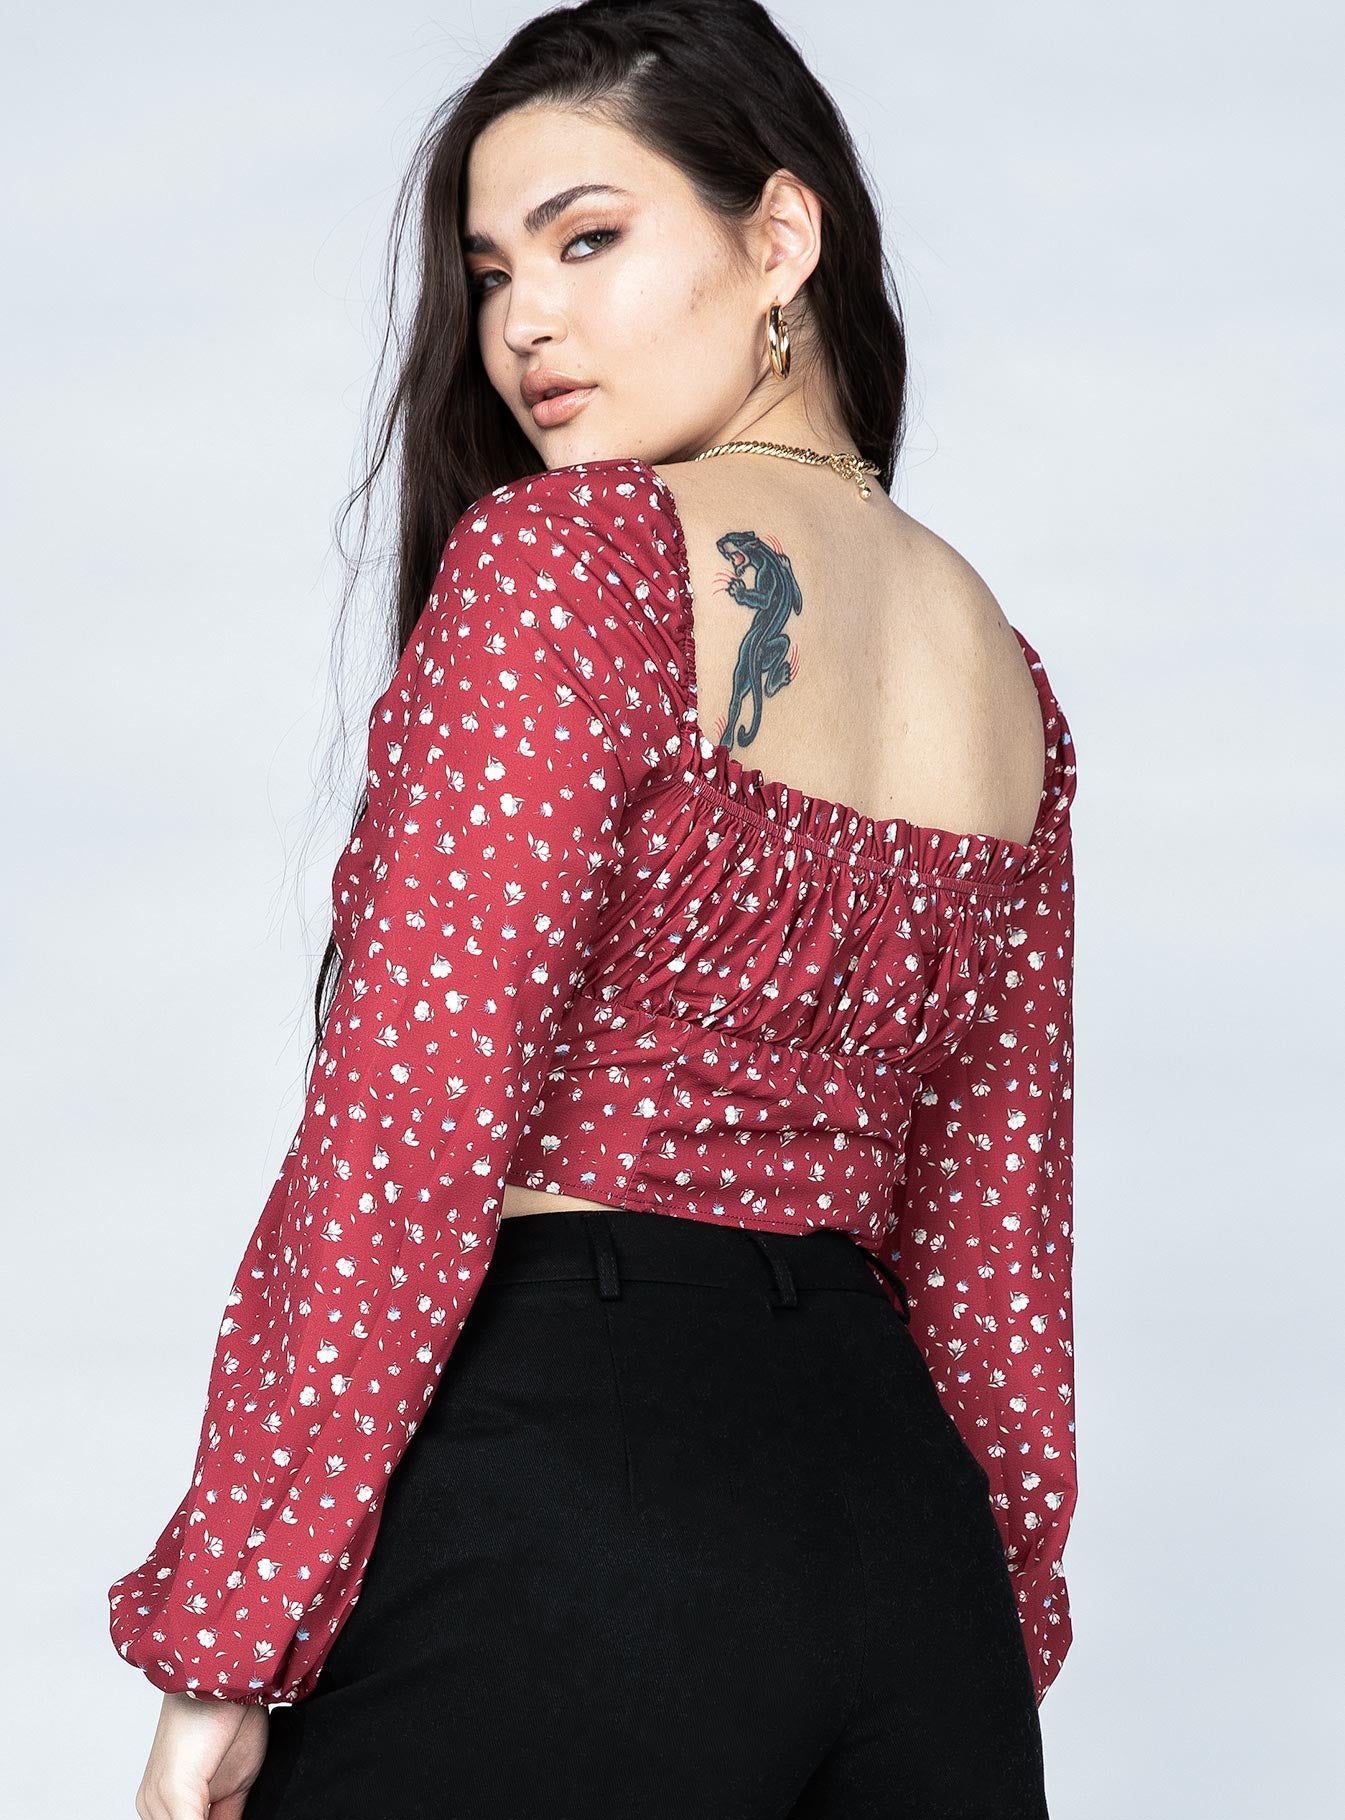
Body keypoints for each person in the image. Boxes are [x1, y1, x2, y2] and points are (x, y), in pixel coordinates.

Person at [108, 3, 1079, 1815]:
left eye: (587, 239)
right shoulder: (1002, 671)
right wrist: (980, 1597)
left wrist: (230, 1636)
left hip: (581, 1498)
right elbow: (993, 1234)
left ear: (777, 237)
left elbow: (407, 1125)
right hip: (904, 1544)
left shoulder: (575, 564)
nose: (522, 325)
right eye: (492, 272)